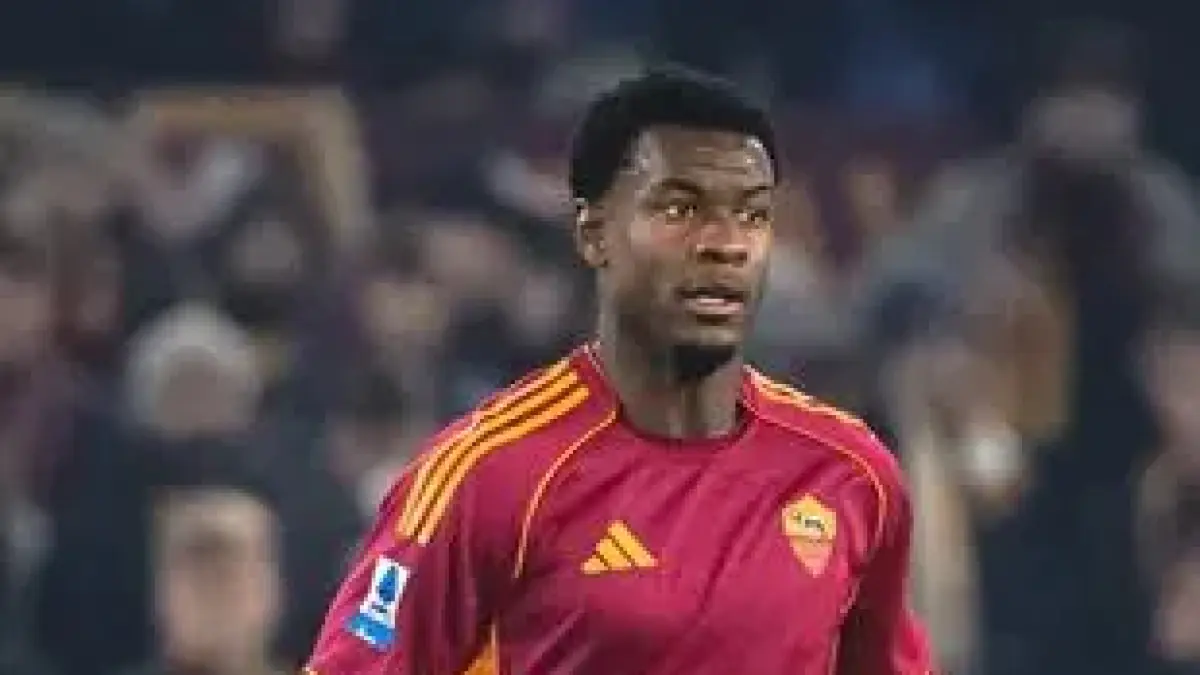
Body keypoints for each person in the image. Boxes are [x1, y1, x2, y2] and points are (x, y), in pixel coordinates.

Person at [305, 67, 934, 675]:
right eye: (680, 210)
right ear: (593, 234)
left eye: (752, 214)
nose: (725, 244)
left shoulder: (851, 472)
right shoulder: (488, 474)